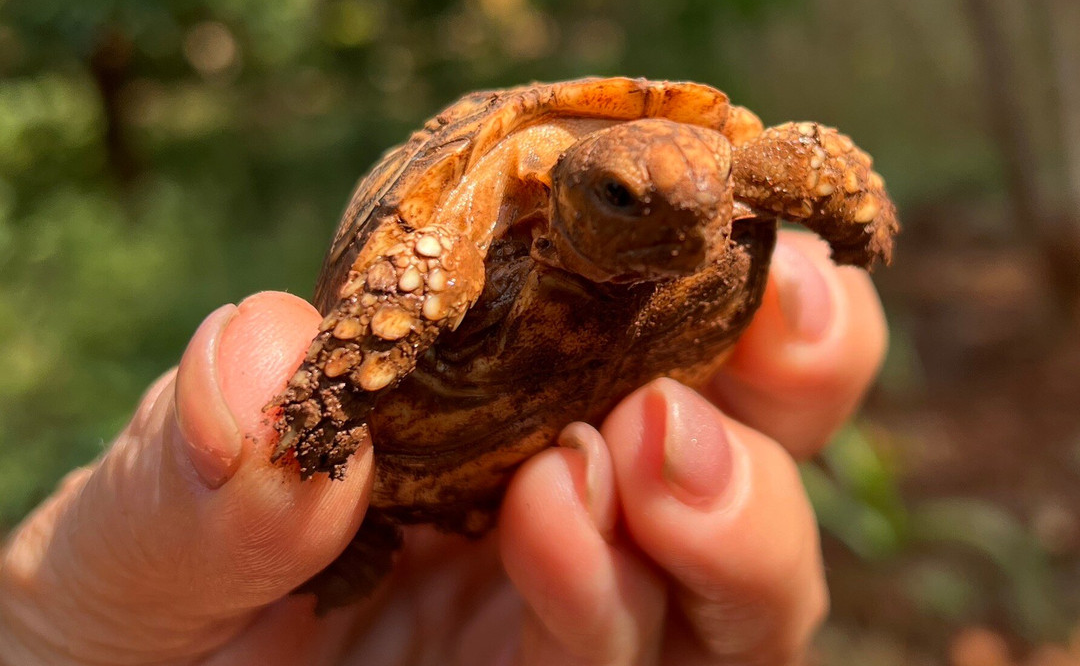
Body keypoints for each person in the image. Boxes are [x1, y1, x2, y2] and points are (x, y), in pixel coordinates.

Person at [0, 231, 888, 666]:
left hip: (589, 442)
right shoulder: (458, 231)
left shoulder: (705, 200)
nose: (676, 208)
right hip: (399, 477)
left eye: (698, 194)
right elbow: (407, 260)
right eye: (621, 194)